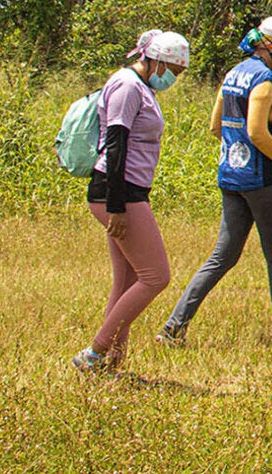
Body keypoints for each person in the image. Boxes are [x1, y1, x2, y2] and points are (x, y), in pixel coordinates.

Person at [158, 16, 272, 346]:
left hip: (232, 177)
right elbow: (257, 132)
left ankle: (174, 328)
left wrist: (236, 154)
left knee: (222, 257)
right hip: (263, 182)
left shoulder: (233, 74)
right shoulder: (264, 80)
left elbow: (216, 127)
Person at [72, 29, 190, 372]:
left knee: (126, 281)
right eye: (172, 70)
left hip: (129, 190)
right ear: (155, 61)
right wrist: (117, 206)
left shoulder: (143, 87)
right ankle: (93, 355)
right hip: (119, 190)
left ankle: (112, 361)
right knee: (156, 277)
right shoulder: (127, 86)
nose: (173, 78)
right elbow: (116, 143)